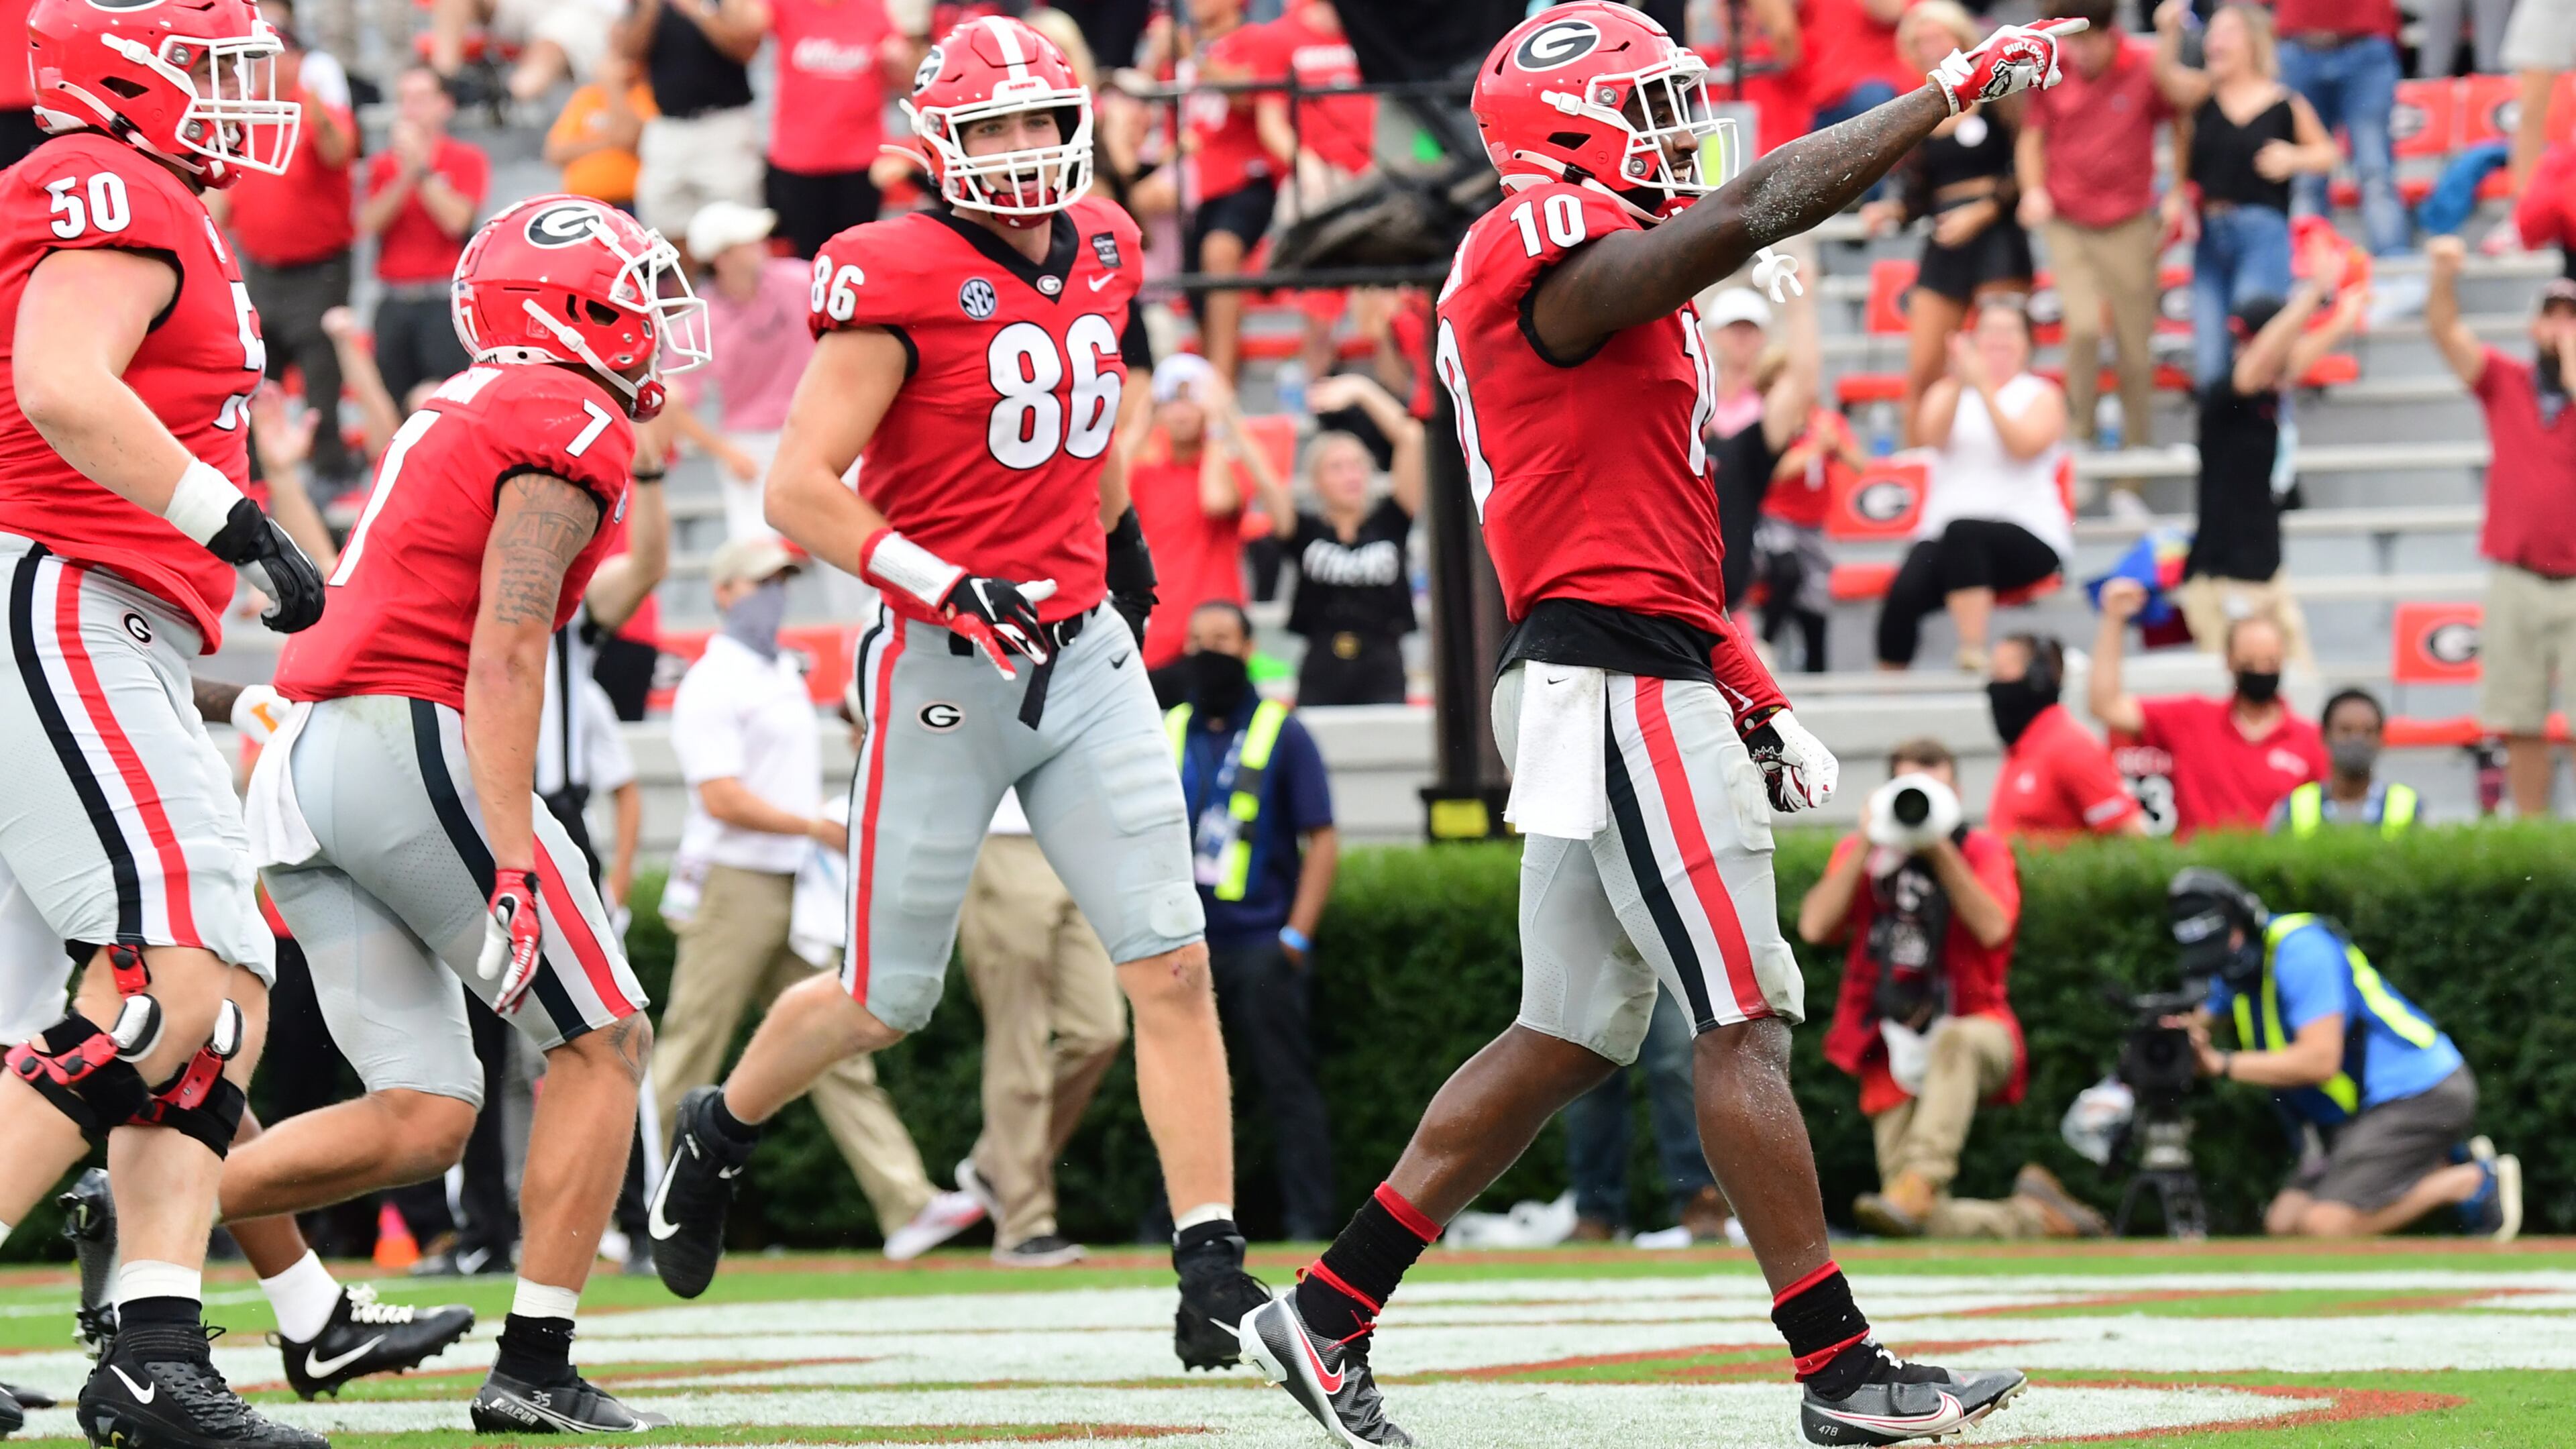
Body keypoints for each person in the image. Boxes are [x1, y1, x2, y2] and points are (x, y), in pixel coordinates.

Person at [1249, 7, 2080, 1444]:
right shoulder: (1538, 242)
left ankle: (1325, 1311)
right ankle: (1839, 1372)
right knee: (1742, 1017)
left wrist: (1747, 686)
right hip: (1616, 678)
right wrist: (1942, 93)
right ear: (1566, 131)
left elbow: (1648, 536)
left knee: (1568, 1031)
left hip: (1625, 660)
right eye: (1647, 104)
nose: (1675, 131)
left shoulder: (1597, 274)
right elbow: (1748, 207)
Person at [645, 16, 1273, 1377]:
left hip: (1082, 651)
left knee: (1168, 962)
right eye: (989, 127)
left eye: (1039, 122)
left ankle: (1211, 1258)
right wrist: (941, 579)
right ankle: (725, 1126)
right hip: (942, 665)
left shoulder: (1105, 243)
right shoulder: (892, 268)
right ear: (939, 144)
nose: (1021, 149)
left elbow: (1089, 419)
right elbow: (798, 486)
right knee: (884, 994)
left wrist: (1124, 542)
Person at [235, 195, 704, 1433]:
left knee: (423, 1120)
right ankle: (537, 1364)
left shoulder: (470, 398)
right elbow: (505, 643)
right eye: (632, 305)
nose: (656, 332)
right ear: (565, 316)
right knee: (604, 1044)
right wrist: (513, 851)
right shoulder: (566, 413)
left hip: (318, 758)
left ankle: (155, 1197)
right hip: (413, 735)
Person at [0, 1, 332, 1443]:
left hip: (103, 607)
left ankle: (153, 1343)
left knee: (191, 994)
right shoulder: (110, 177)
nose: (235, 94)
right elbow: (62, 384)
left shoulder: (145, 191)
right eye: (206, 63)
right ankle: (153, 1341)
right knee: (168, 984)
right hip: (65, 590)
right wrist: (236, 521)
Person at [653, 537, 986, 1260]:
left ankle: (908, 1203)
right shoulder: (714, 679)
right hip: (738, 879)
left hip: (790, 878)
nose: (778, 593)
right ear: (726, 592)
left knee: (836, 1042)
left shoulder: (777, 672)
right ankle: (647, 1211)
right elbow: (721, 797)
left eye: (784, 581)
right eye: (763, 581)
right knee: (691, 1048)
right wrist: (815, 826)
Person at [1799, 740, 2102, 1242]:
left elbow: (1993, 928)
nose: (1918, 802)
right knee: (1914, 1221)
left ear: (1957, 793)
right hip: (1891, 1042)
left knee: (1954, 1042)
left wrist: (1938, 847)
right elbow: (1814, 927)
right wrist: (1870, 838)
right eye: (1907, 790)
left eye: (1932, 789)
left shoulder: (1981, 849)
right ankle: (2035, 1218)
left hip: (1979, 1029)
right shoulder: (1865, 852)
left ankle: (1922, 1176)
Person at [2165, 869, 2521, 1241]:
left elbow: (2320, 1060)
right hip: (2362, 1113)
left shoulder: (2301, 950)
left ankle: (2469, 1181)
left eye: (2226, 944)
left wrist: (2222, 1065)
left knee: (2324, 1226)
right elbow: (2199, 1027)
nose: (2223, 960)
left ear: (2245, 921)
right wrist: (2172, 1038)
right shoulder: (2234, 967)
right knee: (2284, 1224)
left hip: (2420, 1094)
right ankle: (2432, 1163)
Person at [1169, 601, 1338, 1240]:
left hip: (1261, 944)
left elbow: (1321, 836)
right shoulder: (1168, 729)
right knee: (1187, 1094)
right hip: (1188, 950)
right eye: (1198, 639)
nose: (1209, 652)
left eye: (1222, 640)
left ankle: (1308, 1221)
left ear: (1247, 649)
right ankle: (1180, 1224)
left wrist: (1294, 936)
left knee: (1285, 1087)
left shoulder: (1282, 731)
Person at [2424, 234, 2576, 820]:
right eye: (2553, 318)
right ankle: (2533, 833)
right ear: (2533, 327)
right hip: (2518, 574)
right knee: (2519, 719)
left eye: (2572, 320)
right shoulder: (2507, 382)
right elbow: (2447, 333)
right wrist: (2443, 277)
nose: (2561, 330)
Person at [2174, 232, 2365, 667]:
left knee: (2303, 684)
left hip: (2267, 575)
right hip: (2223, 581)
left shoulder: (2270, 397)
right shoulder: (2224, 396)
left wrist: (2342, 314)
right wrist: (2315, 293)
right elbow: (2261, 362)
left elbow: (2291, 362)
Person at [955, 785, 1128, 1267]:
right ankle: (1023, 1224)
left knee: (1100, 1031)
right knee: (1019, 1039)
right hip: (1003, 836)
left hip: (1080, 839)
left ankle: (996, 1166)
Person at [1862, 1, 2033, 444]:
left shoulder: (1997, 91)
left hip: (1997, 234)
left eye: (1937, 37)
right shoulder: (1920, 109)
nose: (1929, 47)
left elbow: (2026, 163)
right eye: (1919, 42)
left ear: (1960, 39)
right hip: (1944, 236)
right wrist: (1893, 211)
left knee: (2002, 365)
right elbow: (1918, 192)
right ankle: (1915, 465)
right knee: (1924, 369)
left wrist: (1983, 211)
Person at [2152, 1, 2341, 388]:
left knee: (2256, 331)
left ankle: (2266, 430)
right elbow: (2165, 81)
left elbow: (2328, 153)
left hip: (2263, 232)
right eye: (2212, 34)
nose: (2214, 42)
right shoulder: (2203, 96)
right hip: (2209, 235)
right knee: (2210, 358)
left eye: (2227, 33)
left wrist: (2294, 157)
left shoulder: (2283, 102)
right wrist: (2168, 32)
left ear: (2252, 42)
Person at [1878, 301, 2070, 674]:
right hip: (1948, 537)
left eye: (2009, 331)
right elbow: (1930, 437)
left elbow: (2024, 445)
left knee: (1964, 532)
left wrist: (1985, 389)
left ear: (2028, 342)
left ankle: (1972, 650)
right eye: (1989, 331)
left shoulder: (2042, 395)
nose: (1998, 340)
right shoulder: (1947, 393)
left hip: (2027, 531)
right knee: (1904, 591)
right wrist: (1960, 382)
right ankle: (1889, 684)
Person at [219, 0, 361, 492]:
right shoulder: (244, 115)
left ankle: (330, 471)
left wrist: (312, 101)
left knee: (321, 371)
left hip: (317, 266)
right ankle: (258, 473)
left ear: (299, 59)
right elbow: (228, 198)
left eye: (276, 55)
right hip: (262, 265)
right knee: (260, 373)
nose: (266, 67)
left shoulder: (317, 108)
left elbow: (338, 151)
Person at [2016, 0, 2169, 449]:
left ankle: (2134, 465)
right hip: (2068, 221)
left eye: (2084, 41)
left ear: (2109, 32)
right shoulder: (2053, 69)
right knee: (2081, 329)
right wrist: (2033, 188)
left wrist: (2179, 191)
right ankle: (2077, 441)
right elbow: (2032, 136)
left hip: (2129, 222)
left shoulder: (2145, 67)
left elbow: (2181, 119)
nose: (2076, 53)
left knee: (2136, 352)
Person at [2090, 582, 2326, 837]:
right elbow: (2107, 706)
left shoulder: (2310, 740)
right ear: (2229, 661)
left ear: (2282, 662)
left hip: (2273, 869)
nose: (2260, 672)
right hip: (2201, 867)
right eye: (2250, 662)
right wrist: (2114, 619)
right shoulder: (2193, 718)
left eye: (2270, 663)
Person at [1273, 372, 1421, 706]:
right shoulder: (1303, 528)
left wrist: (1363, 389)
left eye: (1357, 465)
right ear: (1315, 480)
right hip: (1321, 663)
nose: (1350, 475)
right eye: (1336, 467)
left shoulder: (1392, 520)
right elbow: (1267, 481)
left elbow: (1411, 436)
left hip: (1383, 661)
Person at [1129, 354, 1276, 672]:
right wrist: (1141, 423)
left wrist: (1218, 427)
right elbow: (1102, 495)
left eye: (1192, 398)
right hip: (1157, 637)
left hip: (1218, 638)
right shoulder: (1146, 475)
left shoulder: (1227, 468)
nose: (1181, 410)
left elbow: (1216, 501)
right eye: (1171, 399)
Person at [682, 201, 818, 540]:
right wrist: (726, 452)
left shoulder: (800, 280)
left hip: (820, 427)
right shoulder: (701, 320)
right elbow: (671, 400)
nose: (761, 243)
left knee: (851, 554)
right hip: (752, 446)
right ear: (721, 257)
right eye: (747, 240)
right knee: (756, 560)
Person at [360, 67, 490, 410]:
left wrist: (422, 171)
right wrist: (404, 176)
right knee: (392, 400)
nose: (410, 109)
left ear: (444, 105)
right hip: (394, 298)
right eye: (404, 99)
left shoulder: (466, 158)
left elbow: (457, 220)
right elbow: (368, 223)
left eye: (420, 99)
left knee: (450, 402)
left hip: (442, 299)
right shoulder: (383, 165)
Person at [1561, 994, 1729, 1246]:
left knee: (1677, 1067)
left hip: (1671, 954)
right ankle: (1596, 1211)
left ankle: (1700, 1200)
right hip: (1591, 954)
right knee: (1589, 1072)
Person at [1706, 267, 1822, 615]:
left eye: (1749, 329)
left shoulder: (1762, 416)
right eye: (1733, 328)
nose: (1741, 338)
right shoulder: (1692, 402)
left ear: (1762, 337)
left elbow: (1802, 383)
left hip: (1733, 564)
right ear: (1715, 335)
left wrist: (1800, 306)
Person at [623, 0, 768, 244]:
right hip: (668, 125)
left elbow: (746, 49)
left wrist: (699, 10)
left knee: (737, 226)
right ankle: (685, 283)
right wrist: (649, 9)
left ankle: (732, 283)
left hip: (723, 124)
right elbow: (627, 53)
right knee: (665, 225)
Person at [2271, 0, 2406, 260]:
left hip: (2364, 45)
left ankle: (2395, 270)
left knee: (2375, 170)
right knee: (2306, 177)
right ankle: (2308, 270)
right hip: (2299, 47)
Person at [765, 0, 896, 260]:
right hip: (799, 160)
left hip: (860, 160)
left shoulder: (874, 8)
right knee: (806, 261)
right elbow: (746, 32)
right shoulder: (785, 6)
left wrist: (903, 53)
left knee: (859, 258)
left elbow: (900, 69)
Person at [1984, 633, 2146, 839]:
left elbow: (2131, 834)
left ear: (2039, 679)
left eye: (2001, 674)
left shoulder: (2070, 748)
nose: (1994, 686)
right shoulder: (2025, 746)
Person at [2271, 688, 2418, 837]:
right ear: (2325, 736)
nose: (2357, 740)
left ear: (2381, 739)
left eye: (2368, 731)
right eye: (2346, 731)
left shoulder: (2409, 807)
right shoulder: (2294, 809)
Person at [544, 49, 655, 211]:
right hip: (581, 205)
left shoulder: (649, 94)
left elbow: (631, 138)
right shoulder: (587, 96)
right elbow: (555, 152)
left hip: (633, 204)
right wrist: (610, 141)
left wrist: (612, 86)